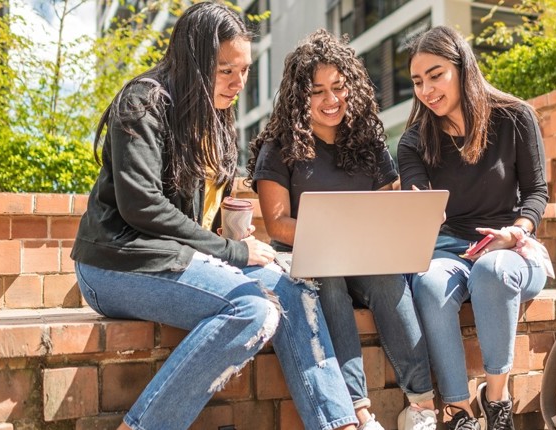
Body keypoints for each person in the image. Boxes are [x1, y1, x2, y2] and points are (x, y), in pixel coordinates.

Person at [71, 3, 360, 429]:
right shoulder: (143, 102)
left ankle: (339, 422)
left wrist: (234, 240)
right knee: (253, 310)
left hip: (179, 259)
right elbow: (142, 205)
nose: (238, 82)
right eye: (226, 70)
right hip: (115, 263)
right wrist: (232, 252)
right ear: (194, 59)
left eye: (243, 70)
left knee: (295, 289)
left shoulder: (216, 117)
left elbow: (199, 215)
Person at [247, 28, 438, 430]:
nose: (331, 100)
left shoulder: (369, 141)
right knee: (329, 279)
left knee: (389, 278)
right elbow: (277, 223)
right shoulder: (280, 146)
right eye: (317, 91)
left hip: (366, 255)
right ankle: (358, 411)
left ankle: (421, 406)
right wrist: (329, 236)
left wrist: (414, 213)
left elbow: (390, 203)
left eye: (338, 87)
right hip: (312, 257)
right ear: (300, 96)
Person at [397, 25, 551, 430]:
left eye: (436, 75)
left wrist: (516, 233)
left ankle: (496, 402)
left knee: (493, 269)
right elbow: (420, 206)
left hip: (513, 246)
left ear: (462, 68)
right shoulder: (415, 141)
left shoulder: (516, 117)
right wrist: (419, 208)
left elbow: (537, 192)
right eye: (417, 81)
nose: (427, 89)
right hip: (450, 250)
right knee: (428, 282)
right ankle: (459, 409)